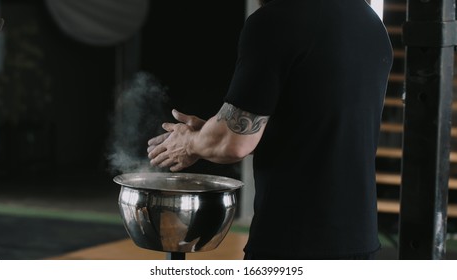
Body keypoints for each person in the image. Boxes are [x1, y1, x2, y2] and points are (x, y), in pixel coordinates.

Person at [147, 0, 393, 259]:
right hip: (360, 241)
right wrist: (209, 134)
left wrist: (189, 142)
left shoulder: (275, 22)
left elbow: (234, 143)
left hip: (294, 241)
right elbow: (318, 131)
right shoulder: (370, 23)